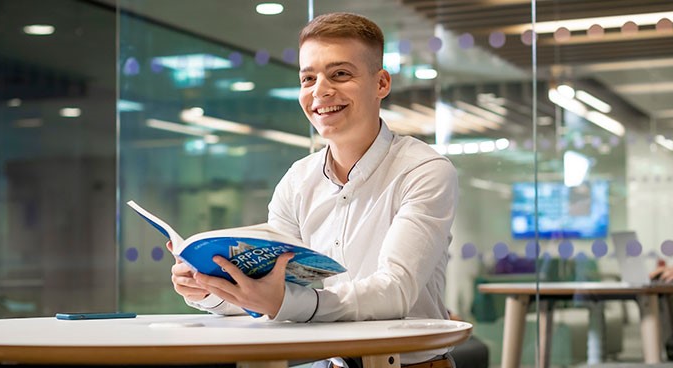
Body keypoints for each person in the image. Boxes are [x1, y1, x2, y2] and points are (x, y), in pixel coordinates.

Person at [169, 12, 459, 367]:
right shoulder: (298, 179)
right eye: (308, 78)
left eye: (340, 74)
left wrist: (282, 302)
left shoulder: (424, 170)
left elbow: (394, 291)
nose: (319, 90)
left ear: (381, 83)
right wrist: (210, 288)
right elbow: (272, 291)